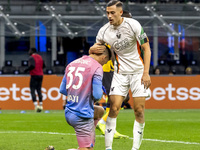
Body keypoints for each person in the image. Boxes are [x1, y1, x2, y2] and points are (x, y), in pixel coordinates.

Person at [90, 1, 151, 150]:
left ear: (120, 12)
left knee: (139, 110)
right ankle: (108, 148)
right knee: (114, 108)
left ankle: (135, 148)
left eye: (112, 13)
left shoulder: (133, 25)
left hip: (138, 72)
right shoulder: (104, 31)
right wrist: (92, 50)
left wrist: (146, 73)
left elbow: (146, 49)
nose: (109, 16)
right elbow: (95, 51)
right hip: (119, 73)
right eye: (107, 13)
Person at [59, 44, 111, 150]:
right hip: (82, 115)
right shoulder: (97, 67)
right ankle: (87, 145)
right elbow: (97, 95)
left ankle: (88, 142)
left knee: (100, 111)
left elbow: (62, 90)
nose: (104, 64)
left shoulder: (72, 64)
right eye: (105, 62)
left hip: (69, 112)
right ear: (104, 57)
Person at [94, 10, 133, 139]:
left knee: (123, 98)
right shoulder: (110, 33)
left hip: (116, 70)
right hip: (108, 69)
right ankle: (103, 123)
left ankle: (107, 125)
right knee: (117, 98)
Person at [25, 48, 45, 112]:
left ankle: (36, 106)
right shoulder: (40, 57)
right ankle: (41, 105)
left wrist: (26, 70)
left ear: (32, 51)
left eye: (29, 50)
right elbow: (44, 66)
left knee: (32, 90)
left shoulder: (31, 57)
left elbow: (32, 65)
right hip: (41, 75)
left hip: (34, 75)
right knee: (39, 90)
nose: (29, 52)